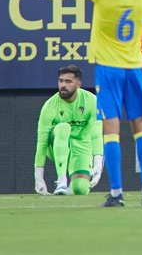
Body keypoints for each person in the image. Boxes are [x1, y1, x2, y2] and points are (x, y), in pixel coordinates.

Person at [66, 0, 142, 207]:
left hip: (109, 69)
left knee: (111, 130)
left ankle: (117, 192)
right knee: (140, 129)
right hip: (134, 68)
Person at [33, 65, 103, 196]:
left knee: (80, 190)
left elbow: (96, 134)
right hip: (55, 145)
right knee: (63, 127)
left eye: (68, 81)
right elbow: (41, 142)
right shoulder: (50, 105)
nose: (63, 85)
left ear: (78, 84)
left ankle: (72, 186)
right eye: (61, 81)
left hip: (82, 148)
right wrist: (38, 177)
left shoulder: (91, 101)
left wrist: (98, 164)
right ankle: (61, 182)